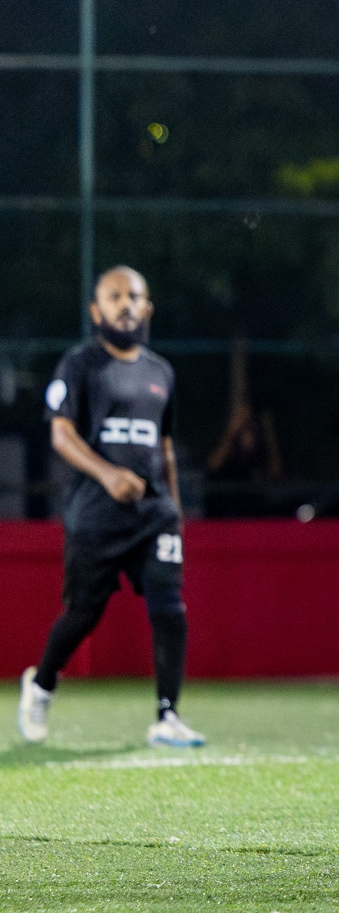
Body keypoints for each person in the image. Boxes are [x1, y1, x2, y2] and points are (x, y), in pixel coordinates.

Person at [17, 267, 204, 747]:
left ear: (147, 308)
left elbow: (164, 450)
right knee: (82, 614)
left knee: (170, 606)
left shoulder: (162, 372)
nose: (125, 303)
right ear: (96, 310)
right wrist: (108, 474)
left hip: (153, 514)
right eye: (114, 296)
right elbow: (61, 433)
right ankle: (41, 685)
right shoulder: (79, 364)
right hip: (95, 514)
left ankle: (168, 716)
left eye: (134, 295)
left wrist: (176, 514)